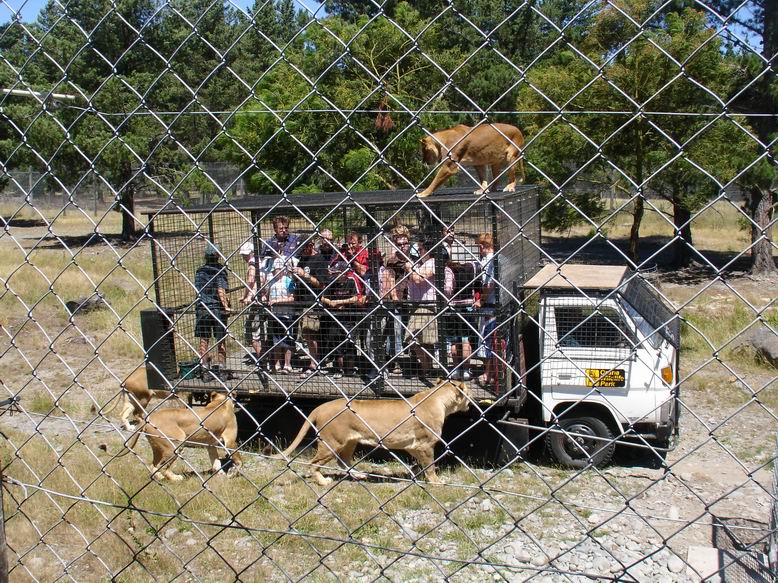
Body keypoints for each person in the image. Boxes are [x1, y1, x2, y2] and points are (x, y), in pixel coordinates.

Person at [295, 233, 333, 378]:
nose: (302, 252)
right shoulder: (302, 259)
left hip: (313, 301)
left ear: (310, 246)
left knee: (310, 331)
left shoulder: (319, 259)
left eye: (304, 248)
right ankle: (315, 361)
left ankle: (315, 362)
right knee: (306, 334)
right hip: (302, 299)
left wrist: (305, 275)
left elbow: (321, 284)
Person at [194, 242, 232, 377]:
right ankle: (222, 369)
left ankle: (204, 368)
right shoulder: (220, 270)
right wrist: (226, 306)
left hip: (202, 307)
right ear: (217, 256)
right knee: (220, 339)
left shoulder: (200, 271)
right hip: (216, 309)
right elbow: (221, 289)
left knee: (204, 339)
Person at [321, 260, 363, 378]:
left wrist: (340, 301)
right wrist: (331, 302)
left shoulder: (351, 281)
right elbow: (323, 298)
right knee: (337, 343)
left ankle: (349, 369)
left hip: (348, 318)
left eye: (337, 273)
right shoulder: (332, 282)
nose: (335, 275)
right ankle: (339, 369)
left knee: (349, 343)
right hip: (335, 318)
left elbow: (356, 298)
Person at [403, 237, 438, 379]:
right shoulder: (421, 263)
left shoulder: (432, 263)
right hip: (417, 305)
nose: (419, 252)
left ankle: (427, 368)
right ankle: (427, 369)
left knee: (413, 338)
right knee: (422, 341)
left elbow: (418, 279)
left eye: (421, 249)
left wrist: (409, 269)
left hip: (426, 306)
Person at [444, 258, 481, 381]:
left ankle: (456, 369)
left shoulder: (448, 270)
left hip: (453, 307)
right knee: (465, 340)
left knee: (455, 341)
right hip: (467, 307)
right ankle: (465, 370)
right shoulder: (471, 268)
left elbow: (448, 289)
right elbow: (477, 285)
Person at [266, 257, 296, 374]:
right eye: (274, 269)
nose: (275, 271)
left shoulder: (288, 280)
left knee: (287, 340)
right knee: (276, 340)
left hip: (286, 314)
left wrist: (277, 301)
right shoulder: (272, 282)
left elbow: (292, 297)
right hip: (275, 315)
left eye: (278, 269)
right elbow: (267, 295)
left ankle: (287, 364)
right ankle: (277, 363)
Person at [477, 233, 498, 386]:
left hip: (490, 306)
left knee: (487, 339)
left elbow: (488, 285)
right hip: (495, 304)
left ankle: (487, 374)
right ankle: (489, 372)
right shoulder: (497, 259)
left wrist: (481, 300)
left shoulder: (491, 261)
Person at [239, 241, 264, 361]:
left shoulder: (253, 264)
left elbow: (251, 281)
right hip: (260, 298)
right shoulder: (261, 262)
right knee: (260, 329)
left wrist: (246, 296)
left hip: (255, 299)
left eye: (246, 254)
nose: (244, 257)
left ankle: (262, 357)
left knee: (250, 330)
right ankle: (264, 356)